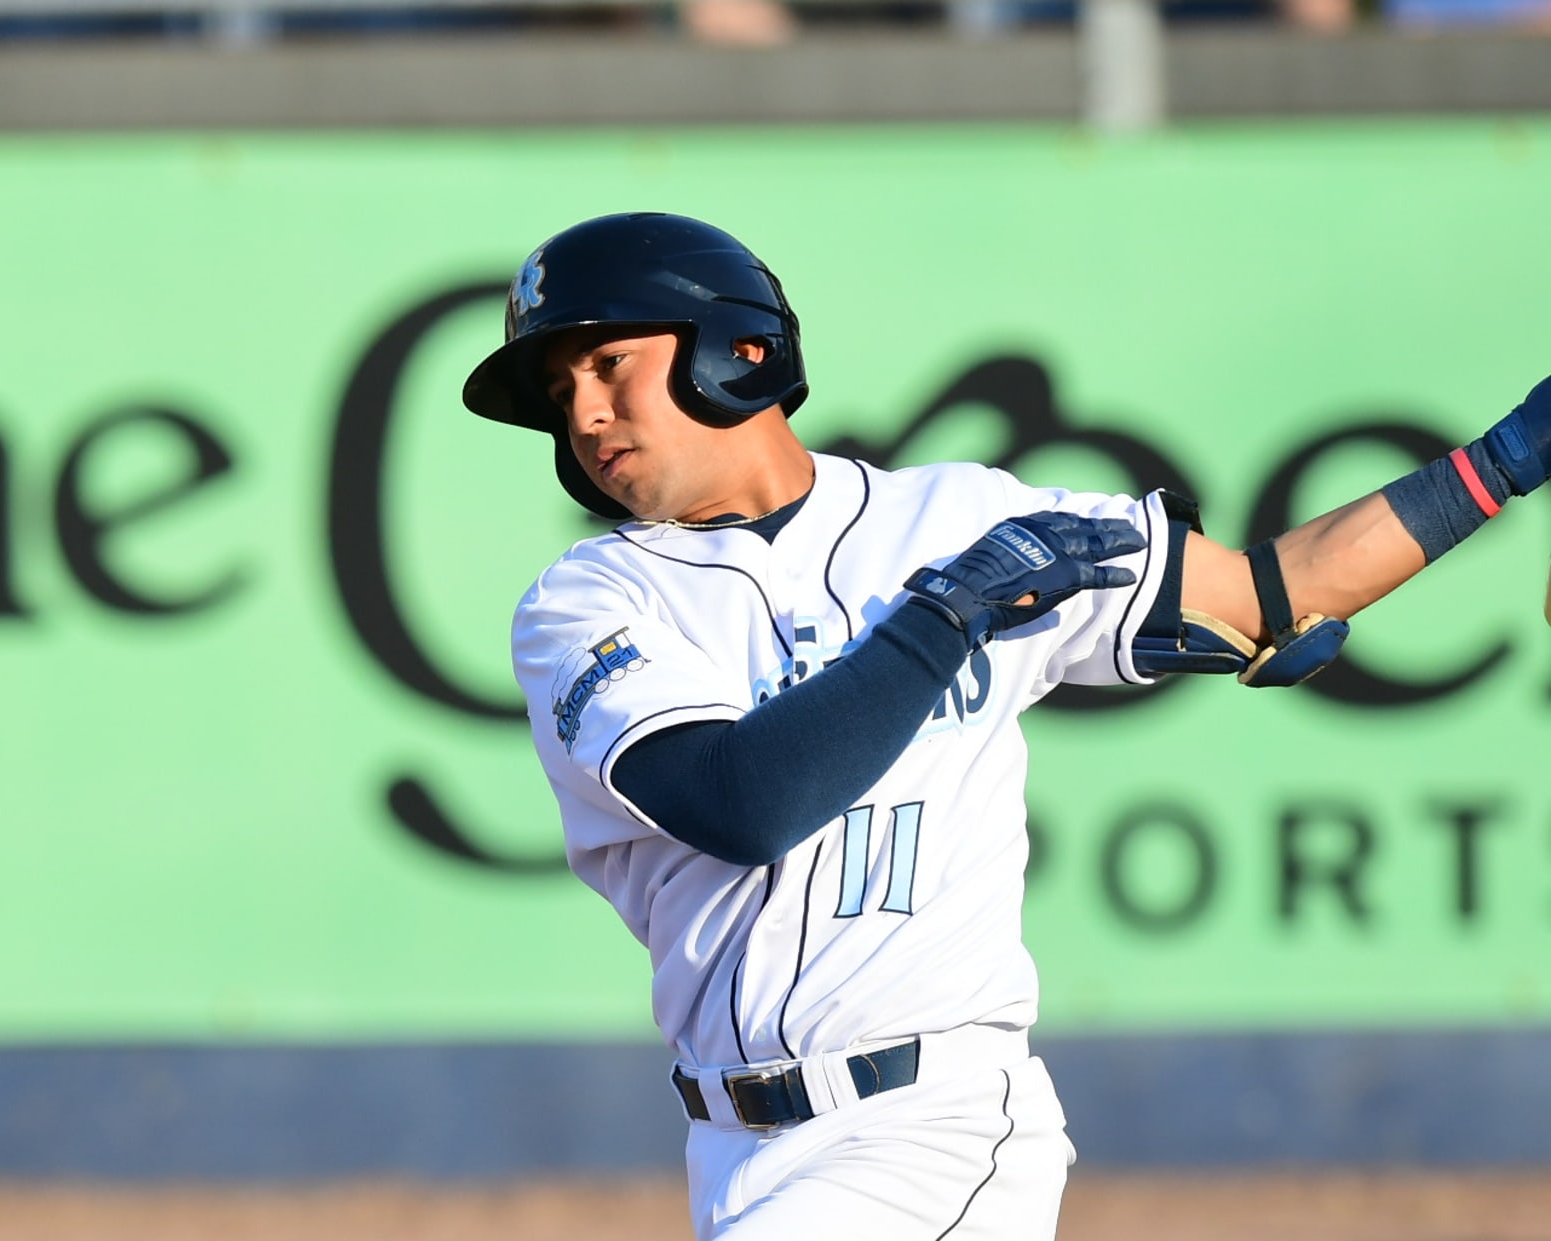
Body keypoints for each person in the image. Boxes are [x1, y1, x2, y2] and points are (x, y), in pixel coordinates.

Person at [459, 211, 1551, 1241]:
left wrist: (1504, 460)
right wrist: (946, 618)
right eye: (561, 390)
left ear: (737, 350)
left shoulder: (962, 520)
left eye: (609, 364)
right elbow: (739, 799)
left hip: (930, 1122)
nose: (585, 414)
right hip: (732, 1145)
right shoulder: (589, 603)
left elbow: (1270, 594)